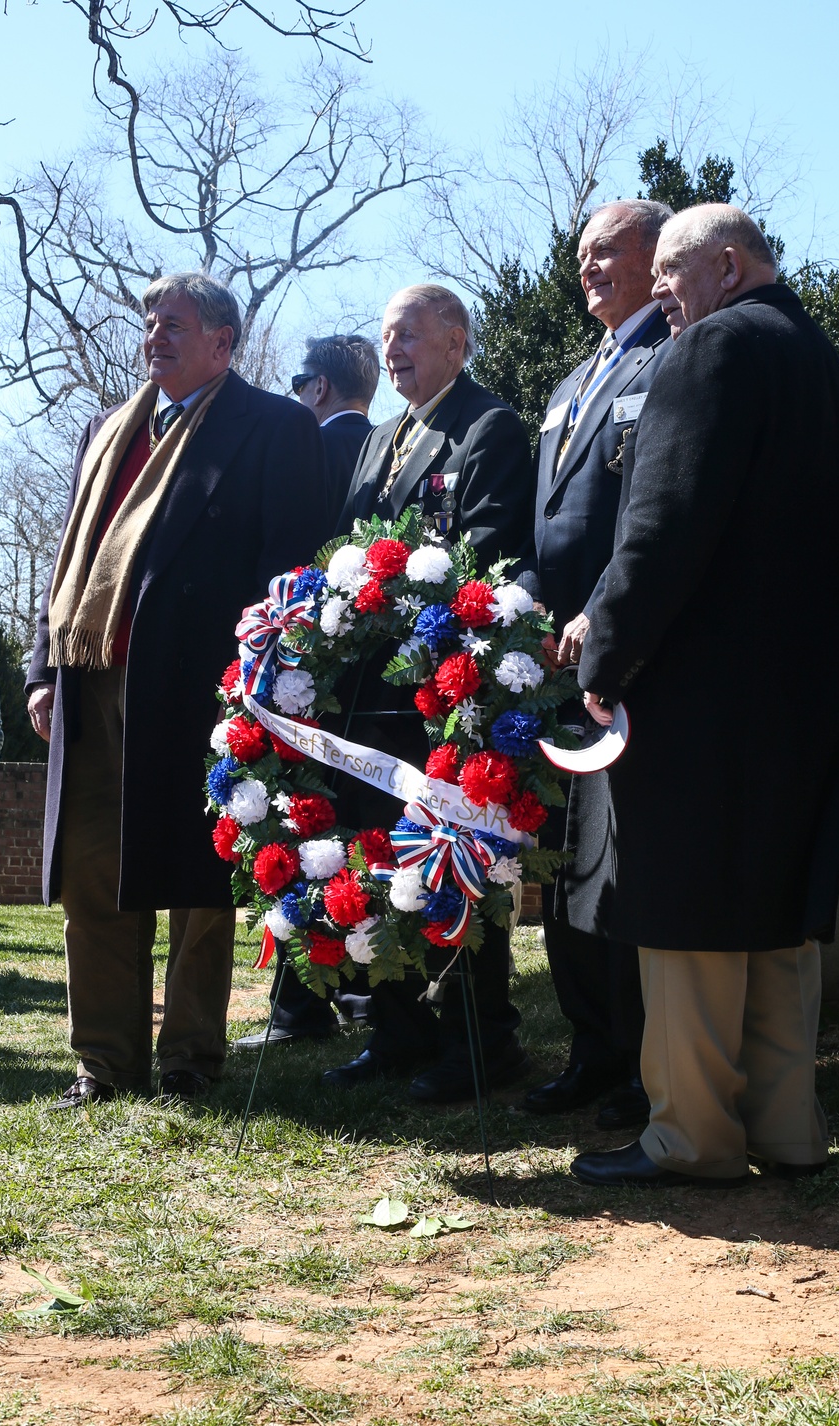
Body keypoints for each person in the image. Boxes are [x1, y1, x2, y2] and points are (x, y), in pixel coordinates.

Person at [566, 204, 839, 1187]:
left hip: (704, 702)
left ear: (726, 266)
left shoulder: (709, 350)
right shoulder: (823, 366)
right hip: (805, 696)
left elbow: (660, 530)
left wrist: (602, 660)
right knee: (778, 911)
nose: (659, 293)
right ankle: (785, 1129)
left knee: (688, 914)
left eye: (668, 271)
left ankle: (690, 1136)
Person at [27, 272, 330, 1109]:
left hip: (203, 692)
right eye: (150, 323)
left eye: (174, 324)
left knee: (199, 884)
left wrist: (264, 688)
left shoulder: (272, 426)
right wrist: (44, 671)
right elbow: (70, 563)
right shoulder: (107, 430)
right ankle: (105, 1062)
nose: (154, 336)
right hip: (94, 681)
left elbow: (296, 568)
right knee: (92, 875)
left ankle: (191, 1058)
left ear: (223, 343)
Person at [326, 283, 536, 1104]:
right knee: (379, 858)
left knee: (452, 862)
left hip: (444, 696)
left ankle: (480, 1039)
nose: (392, 351)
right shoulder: (380, 436)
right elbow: (346, 544)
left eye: (408, 334)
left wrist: (395, 604)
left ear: (456, 340)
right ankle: (397, 1029)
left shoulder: (488, 427)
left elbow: (487, 548)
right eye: (385, 337)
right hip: (370, 696)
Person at [524, 197, 673, 1131]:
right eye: (581, 256)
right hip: (549, 653)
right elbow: (554, 517)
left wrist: (599, 617)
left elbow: (648, 517)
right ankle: (587, 1044)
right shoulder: (574, 376)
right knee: (566, 860)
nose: (588, 269)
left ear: (658, 256)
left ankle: (633, 1056)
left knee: (616, 865)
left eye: (606, 252)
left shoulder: (674, 357)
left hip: (621, 651)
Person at [234, 331, 379, 1053]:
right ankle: (361, 986)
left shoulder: (304, 446)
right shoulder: (384, 447)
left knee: (303, 832)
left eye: (299, 380)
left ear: (317, 388)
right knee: (358, 836)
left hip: (302, 683)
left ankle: (301, 1006)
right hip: (378, 691)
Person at [293, 334, 378, 530]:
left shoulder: (303, 447)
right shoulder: (395, 449)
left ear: (320, 388)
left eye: (300, 384)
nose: (299, 394)